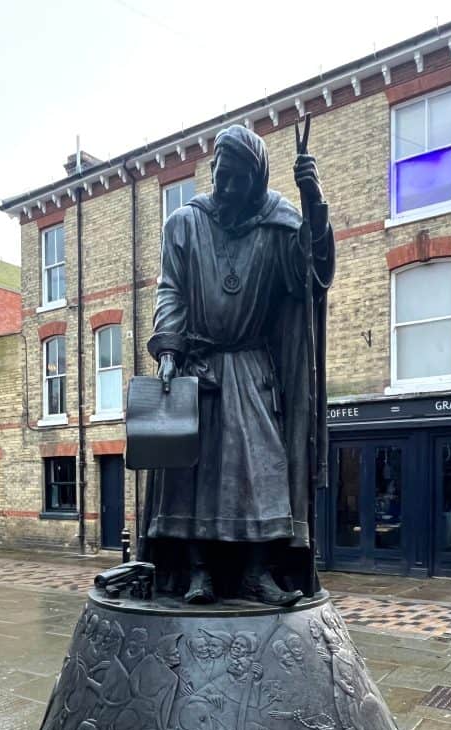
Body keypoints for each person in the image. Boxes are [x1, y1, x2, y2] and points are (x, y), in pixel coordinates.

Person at [138, 123, 334, 605]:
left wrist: (314, 204)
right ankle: (198, 571)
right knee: (194, 473)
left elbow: (311, 275)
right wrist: (168, 349)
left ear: (258, 180)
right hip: (197, 365)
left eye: (237, 180)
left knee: (262, 466)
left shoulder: (280, 223)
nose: (225, 188)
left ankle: (255, 573)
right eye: (220, 176)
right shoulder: (184, 222)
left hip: (252, 367)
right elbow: (171, 289)